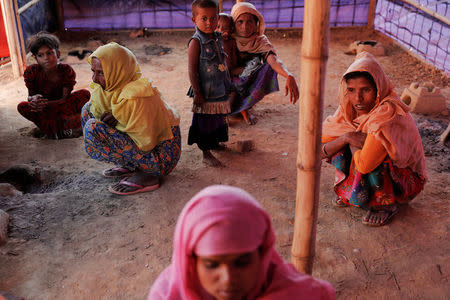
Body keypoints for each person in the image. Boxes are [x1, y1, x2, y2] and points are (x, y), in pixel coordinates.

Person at [148, 185, 335, 300]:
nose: (228, 279)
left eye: (242, 262)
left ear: (262, 253)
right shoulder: (166, 296)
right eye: (211, 265)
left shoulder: (300, 295)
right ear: (191, 260)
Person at [321, 52, 427, 226]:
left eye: (366, 90)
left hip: (406, 181)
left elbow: (363, 165)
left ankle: (385, 205)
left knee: (377, 153)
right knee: (341, 142)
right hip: (366, 156)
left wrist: (351, 141)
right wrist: (347, 138)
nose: (358, 98)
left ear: (378, 88)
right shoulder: (349, 108)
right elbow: (320, 146)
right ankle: (352, 192)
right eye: (351, 90)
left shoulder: (385, 114)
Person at [81, 42, 181, 195]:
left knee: (94, 127)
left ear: (118, 70)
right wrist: (117, 122)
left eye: (101, 73)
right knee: (88, 110)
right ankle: (131, 165)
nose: (94, 79)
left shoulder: (138, 96)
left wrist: (118, 123)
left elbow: (147, 142)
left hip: (161, 157)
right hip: (144, 149)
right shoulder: (110, 89)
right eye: (93, 71)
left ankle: (149, 175)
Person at [229, 2, 299, 125]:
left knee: (268, 67)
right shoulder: (227, 38)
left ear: (256, 23)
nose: (245, 26)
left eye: (249, 21)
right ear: (233, 23)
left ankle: (245, 106)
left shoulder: (260, 40)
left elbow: (273, 60)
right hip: (228, 79)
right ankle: (228, 109)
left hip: (247, 79)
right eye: (240, 22)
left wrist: (288, 75)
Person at [187, 0, 236, 167]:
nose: (210, 23)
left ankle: (215, 143)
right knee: (205, 122)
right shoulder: (195, 42)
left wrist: (228, 83)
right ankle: (205, 153)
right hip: (205, 92)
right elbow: (192, 70)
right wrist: (198, 93)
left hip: (219, 88)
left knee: (218, 119)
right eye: (204, 18)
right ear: (194, 20)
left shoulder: (217, 38)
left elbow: (222, 61)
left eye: (213, 18)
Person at [17, 31, 90, 139]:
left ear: (58, 54)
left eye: (49, 53)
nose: (46, 58)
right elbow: (30, 96)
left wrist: (45, 104)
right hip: (44, 110)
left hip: (62, 107)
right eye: (40, 55)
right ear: (35, 58)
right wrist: (34, 100)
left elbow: (64, 99)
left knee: (85, 94)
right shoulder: (31, 71)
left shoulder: (66, 70)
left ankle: (53, 130)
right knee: (22, 106)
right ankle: (61, 130)